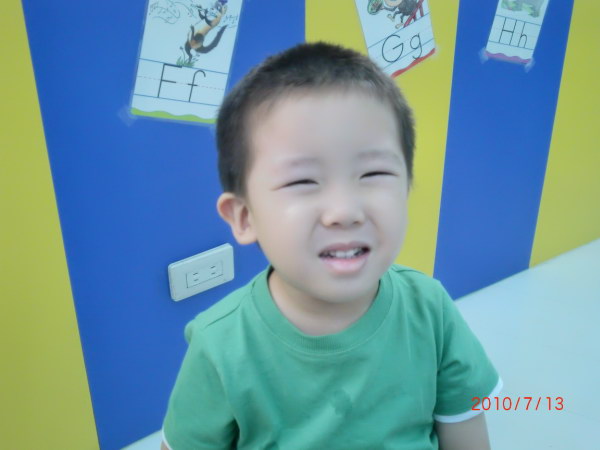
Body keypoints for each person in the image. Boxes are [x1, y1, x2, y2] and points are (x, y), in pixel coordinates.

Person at [161, 41, 502, 449]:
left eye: (374, 173)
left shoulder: (430, 310)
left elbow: (466, 434)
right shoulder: (221, 345)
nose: (344, 211)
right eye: (303, 180)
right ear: (245, 217)